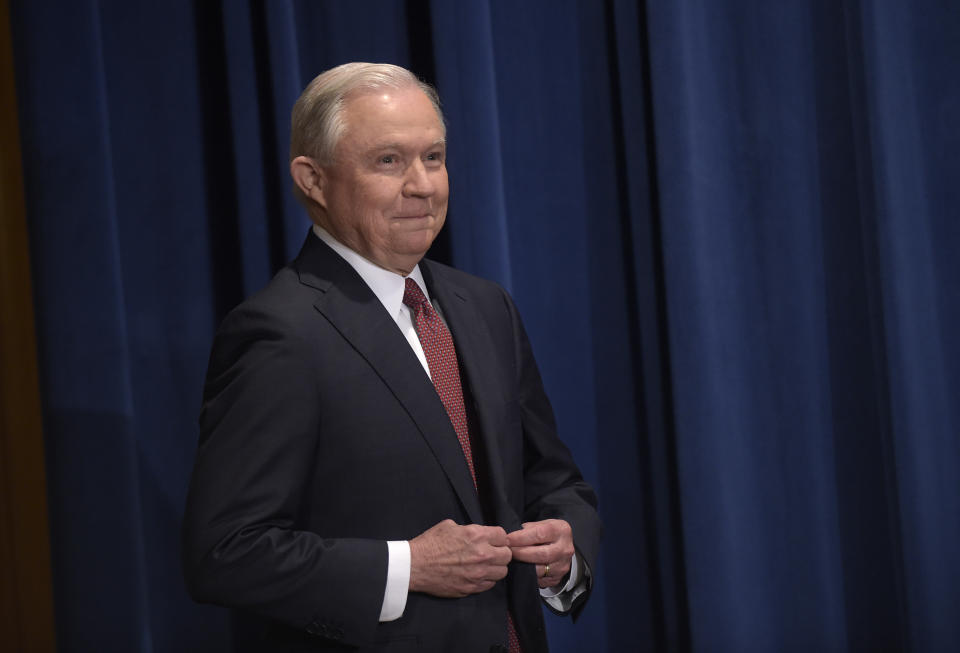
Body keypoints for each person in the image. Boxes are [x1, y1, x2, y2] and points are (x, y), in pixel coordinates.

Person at [182, 62, 602, 653]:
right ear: (313, 180)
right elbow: (224, 553)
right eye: (388, 161)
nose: (423, 185)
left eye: (433, 157)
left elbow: (552, 480)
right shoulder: (280, 333)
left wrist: (566, 548)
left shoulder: (485, 306)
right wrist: (407, 567)